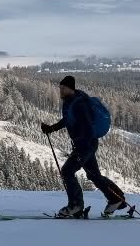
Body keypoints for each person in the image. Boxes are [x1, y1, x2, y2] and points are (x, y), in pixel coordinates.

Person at [40, 75, 128, 218]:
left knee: (67, 171)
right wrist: (52, 128)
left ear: (71, 88)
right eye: (60, 88)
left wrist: (81, 147)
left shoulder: (80, 104)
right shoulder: (71, 102)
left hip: (85, 145)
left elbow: (86, 125)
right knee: (94, 176)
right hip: (86, 144)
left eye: (63, 88)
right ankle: (116, 199)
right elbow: (68, 119)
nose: (60, 91)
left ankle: (75, 205)